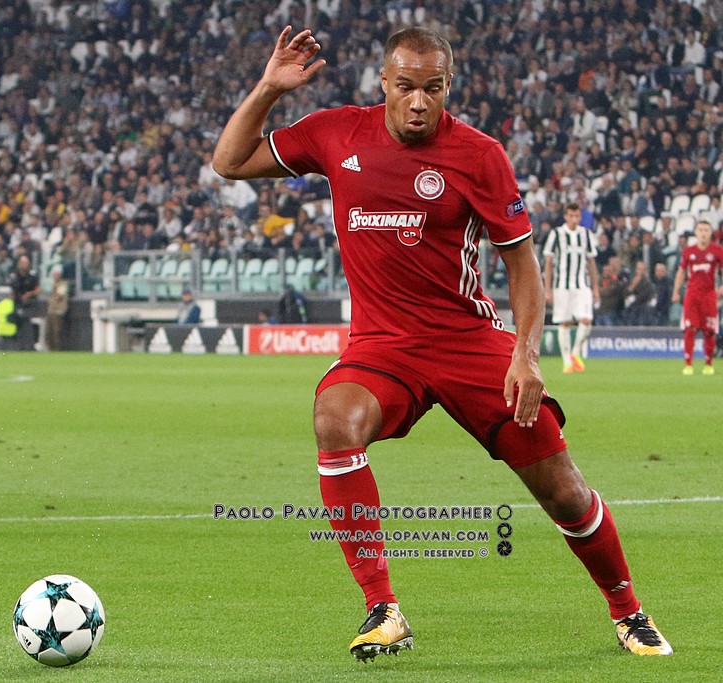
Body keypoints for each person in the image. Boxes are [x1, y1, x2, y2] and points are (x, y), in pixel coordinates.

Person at [213, 26, 671, 660]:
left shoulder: (479, 155)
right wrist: (268, 88)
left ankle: (629, 611)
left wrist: (526, 354)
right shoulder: (335, 132)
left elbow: (522, 264)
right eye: (406, 87)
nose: (419, 101)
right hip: (382, 346)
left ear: (448, 86)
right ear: (384, 83)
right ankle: (383, 608)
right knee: (334, 419)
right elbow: (228, 162)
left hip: (466, 341)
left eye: (433, 88)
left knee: (562, 489)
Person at [542, 203, 600, 373]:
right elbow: (548, 262)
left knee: (586, 319)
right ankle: (567, 361)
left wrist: (595, 287)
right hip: (562, 285)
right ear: (565, 216)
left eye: (577, 216)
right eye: (571, 216)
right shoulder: (556, 234)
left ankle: (575, 352)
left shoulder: (586, 234)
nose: (574, 219)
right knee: (565, 322)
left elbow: (591, 262)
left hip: (582, 284)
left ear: (580, 217)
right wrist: (547, 289)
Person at [672, 220, 723, 375]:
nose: (703, 233)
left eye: (706, 230)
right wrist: (676, 290)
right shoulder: (688, 251)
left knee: (709, 331)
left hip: (709, 295)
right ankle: (688, 364)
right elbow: (681, 272)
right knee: (690, 329)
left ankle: (708, 364)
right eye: (700, 230)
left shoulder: (717, 250)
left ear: (711, 232)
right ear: (696, 232)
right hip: (692, 295)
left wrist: (721, 288)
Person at [8, 255, 41, 350]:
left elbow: (38, 289)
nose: (24, 265)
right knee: (18, 321)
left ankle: (29, 345)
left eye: (26, 263)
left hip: (30, 303)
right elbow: (12, 289)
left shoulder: (33, 275)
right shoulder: (14, 276)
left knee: (27, 322)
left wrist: (29, 294)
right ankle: (19, 346)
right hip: (18, 303)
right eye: (22, 263)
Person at [44, 267, 70, 351]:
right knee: (49, 332)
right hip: (51, 311)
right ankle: (50, 349)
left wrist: (52, 297)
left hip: (58, 311)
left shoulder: (63, 285)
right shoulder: (53, 285)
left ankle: (58, 349)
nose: (55, 277)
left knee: (57, 332)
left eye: (56, 275)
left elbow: (58, 297)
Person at [0, 285, 18, 351]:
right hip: (11, 330)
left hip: (0, 330)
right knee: (11, 350)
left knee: (1, 350)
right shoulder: (13, 304)